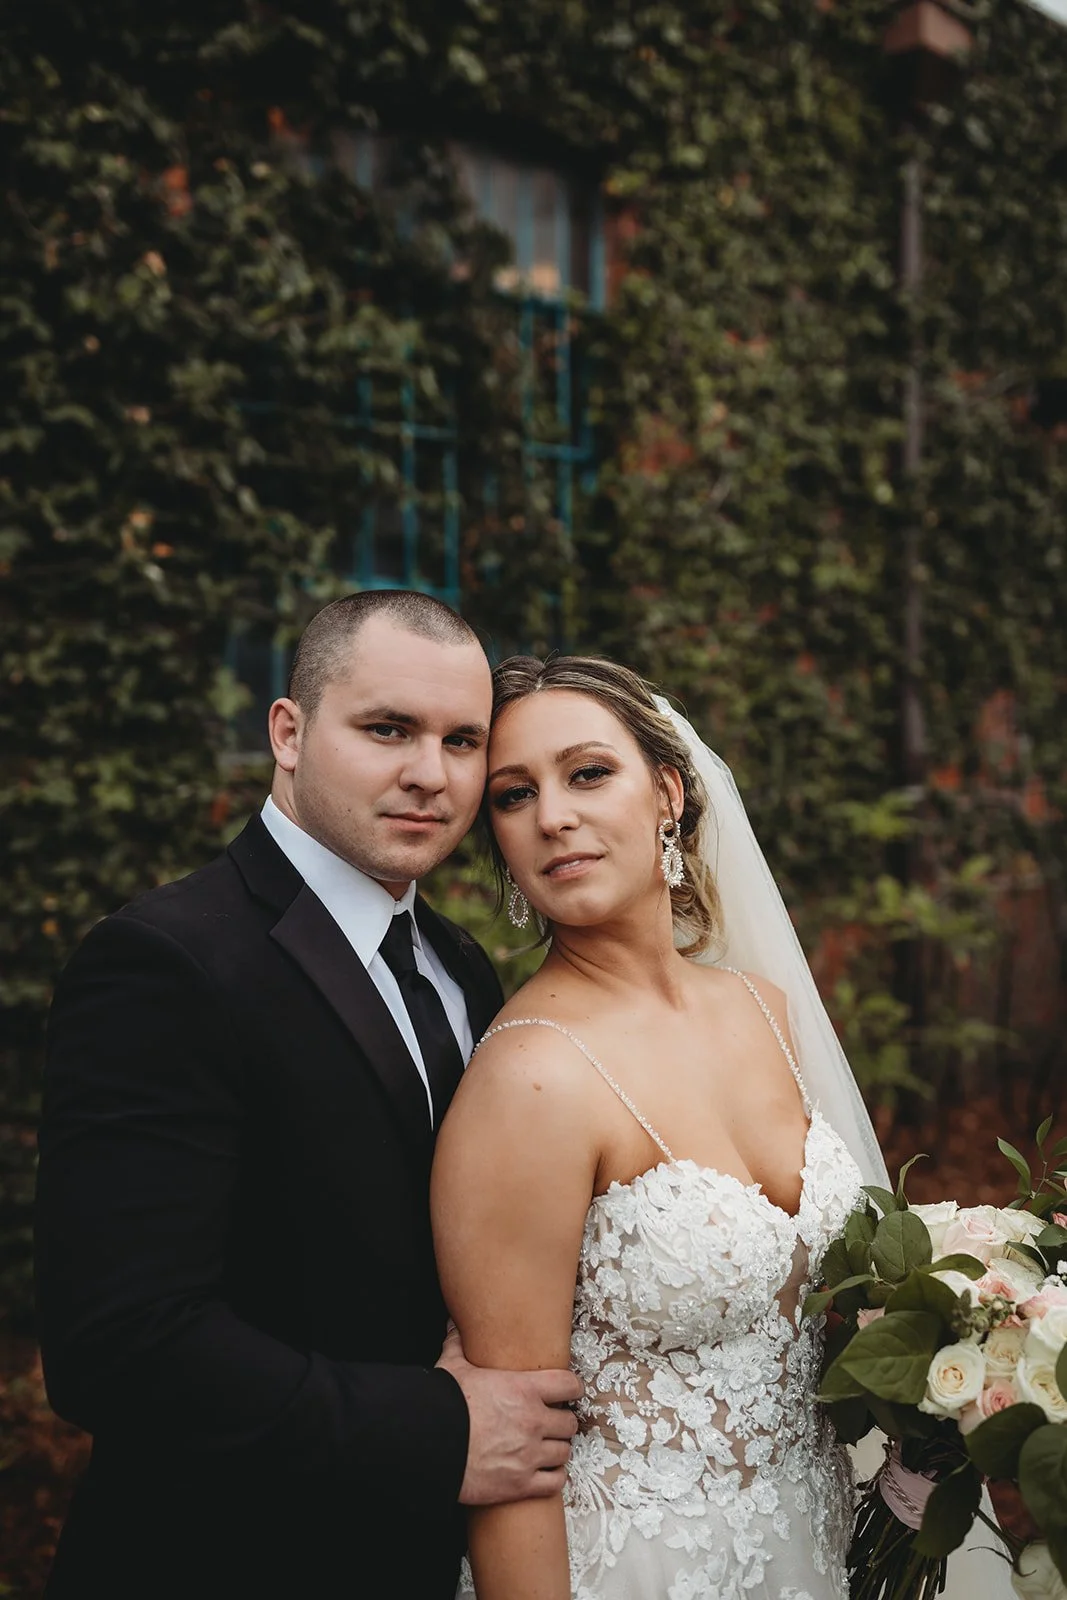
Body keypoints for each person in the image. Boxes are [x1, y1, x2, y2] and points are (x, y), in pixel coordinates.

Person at [35, 592, 581, 1600]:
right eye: (387, 729)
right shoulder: (165, 961)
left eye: (463, 740)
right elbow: (117, 1346)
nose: (431, 772)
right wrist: (439, 1429)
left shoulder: (463, 969)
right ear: (287, 732)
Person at [432, 653, 891, 1600]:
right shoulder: (530, 1077)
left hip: (823, 1541)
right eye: (514, 797)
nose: (553, 815)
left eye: (588, 773)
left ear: (667, 793)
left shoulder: (764, 1007)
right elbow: (511, 1453)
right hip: (636, 1567)